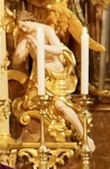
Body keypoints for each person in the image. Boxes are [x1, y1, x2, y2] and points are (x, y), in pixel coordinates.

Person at [13, 12, 93, 150]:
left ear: (30, 20)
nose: (24, 29)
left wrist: (39, 45)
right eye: (21, 27)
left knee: (60, 106)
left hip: (56, 76)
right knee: (34, 106)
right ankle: (44, 137)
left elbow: (58, 50)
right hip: (40, 79)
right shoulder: (26, 37)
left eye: (24, 25)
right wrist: (26, 48)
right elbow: (16, 60)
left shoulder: (47, 30)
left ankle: (84, 135)